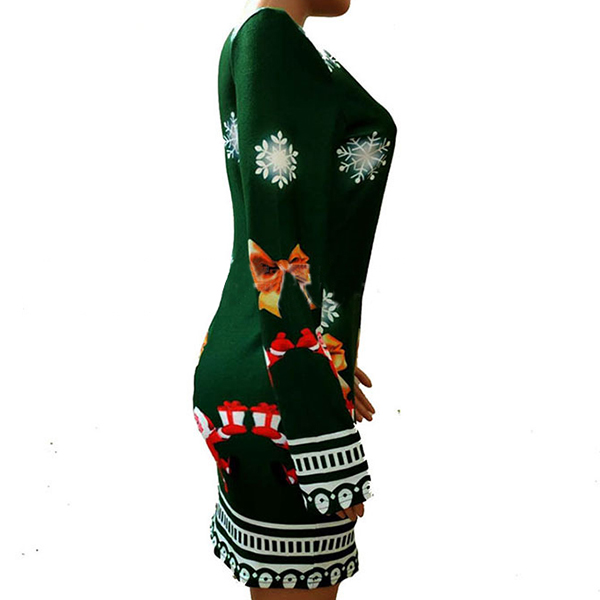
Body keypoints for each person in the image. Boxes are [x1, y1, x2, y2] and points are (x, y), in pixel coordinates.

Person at [192, 0, 397, 597]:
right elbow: (275, 248)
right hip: (278, 378)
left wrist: (328, 350)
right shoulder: (269, 40)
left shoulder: (263, 43)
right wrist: (317, 412)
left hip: (269, 359)